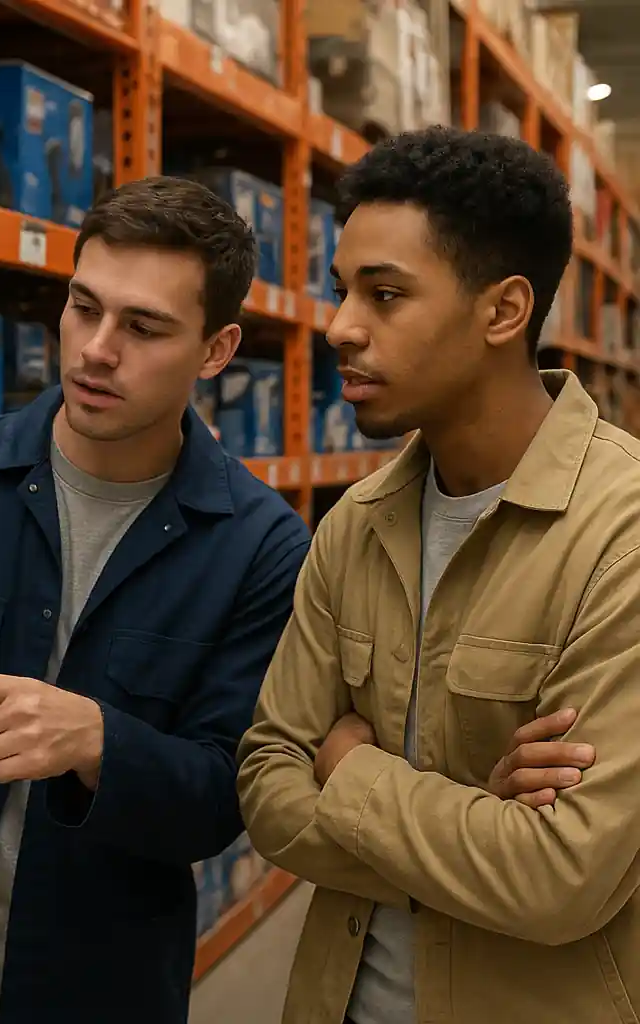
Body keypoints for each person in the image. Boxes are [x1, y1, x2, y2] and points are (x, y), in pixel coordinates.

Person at [0, 175, 313, 1024]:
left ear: (217, 350)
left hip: (93, 992)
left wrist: (97, 742)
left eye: (144, 327)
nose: (96, 350)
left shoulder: (262, 549)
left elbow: (226, 799)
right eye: (84, 307)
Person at [237, 125, 640, 1023]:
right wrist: (470, 817)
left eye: (385, 294)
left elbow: (556, 878)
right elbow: (266, 786)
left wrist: (351, 769)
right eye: (343, 289)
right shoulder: (357, 523)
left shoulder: (624, 536)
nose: (339, 325)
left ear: (502, 312)